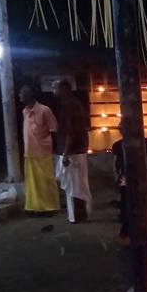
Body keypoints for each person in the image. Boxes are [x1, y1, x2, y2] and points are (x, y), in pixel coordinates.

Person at [54, 81, 92, 223]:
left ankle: (77, 216)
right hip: (74, 150)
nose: (53, 90)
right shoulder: (70, 104)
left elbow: (71, 132)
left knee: (74, 186)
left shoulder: (70, 106)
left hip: (73, 152)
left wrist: (65, 153)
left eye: (55, 87)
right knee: (76, 185)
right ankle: (78, 215)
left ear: (63, 89)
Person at [20, 85, 59, 215]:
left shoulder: (44, 110)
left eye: (22, 93)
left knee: (46, 181)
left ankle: (50, 207)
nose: (20, 96)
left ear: (29, 95)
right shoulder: (25, 111)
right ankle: (34, 207)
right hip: (29, 152)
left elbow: (54, 130)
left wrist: (55, 150)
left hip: (43, 152)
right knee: (33, 183)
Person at [112, 137, 147, 245]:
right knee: (141, 207)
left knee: (130, 208)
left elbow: (115, 164)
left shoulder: (120, 145)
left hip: (131, 180)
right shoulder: (142, 143)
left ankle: (129, 235)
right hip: (134, 180)